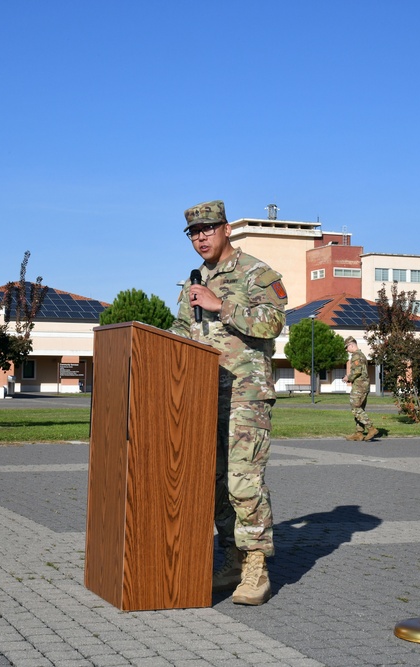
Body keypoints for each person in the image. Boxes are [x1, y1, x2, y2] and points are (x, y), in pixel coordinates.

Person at [169, 199, 287, 606]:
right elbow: (181, 331)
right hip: (203, 396)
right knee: (213, 483)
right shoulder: (193, 283)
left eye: (208, 229)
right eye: (194, 233)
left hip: (246, 395)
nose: (201, 238)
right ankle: (232, 558)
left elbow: (273, 323)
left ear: (226, 230)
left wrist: (222, 306)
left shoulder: (257, 273)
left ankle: (257, 565)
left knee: (242, 481)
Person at [344, 336, 376, 441]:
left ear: (351, 345)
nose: (346, 350)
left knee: (355, 408)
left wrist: (348, 377)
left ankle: (371, 428)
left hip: (359, 386)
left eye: (346, 347)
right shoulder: (362, 355)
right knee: (360, 408)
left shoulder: (356, 356)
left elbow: (357, 371)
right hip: (364, 386)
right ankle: (359, 433)